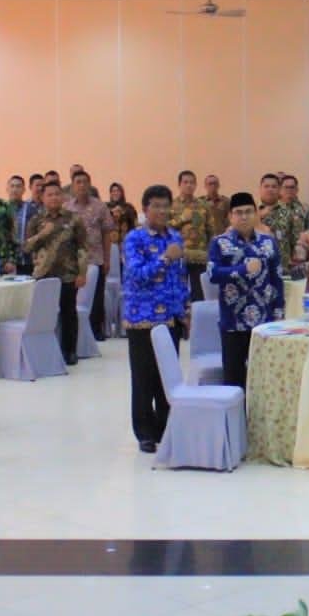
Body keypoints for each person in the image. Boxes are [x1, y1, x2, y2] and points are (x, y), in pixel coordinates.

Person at [122, 184, 190, 452]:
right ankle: (145, 432)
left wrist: (185, 309)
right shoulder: (134, 239)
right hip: (142, 317)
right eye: (156, 206)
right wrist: (164, 258)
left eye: (165, 206)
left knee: (167, 375)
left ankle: (166, 426)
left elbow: (179, 276)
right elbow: (138, 275)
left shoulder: (174, 237)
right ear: (145, 209)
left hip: (170, 317)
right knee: (143, 376)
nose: (162, 211)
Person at [208, 192, 283, 388]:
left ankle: (261, 418)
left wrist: (279, 313)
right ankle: (237, 419)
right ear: (230, 216)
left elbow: (277, 279)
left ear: (257, 214)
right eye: (238, 212)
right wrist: (241, 270)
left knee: (265, 378)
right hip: (233, 322)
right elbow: (213, 274)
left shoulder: (269, 242)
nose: (244, 217)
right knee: (234, 380)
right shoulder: (219, 243)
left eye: (249, 212)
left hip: (265, 323)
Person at [24, 181, 89, 365]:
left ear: (63, 197)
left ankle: (70, 351)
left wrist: (82, 272)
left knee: (69, 313)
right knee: (44, 315)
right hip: (43, 275)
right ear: (42, 198)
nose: (54, 198)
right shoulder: (36, 220)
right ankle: (44, 353)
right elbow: (27, 247)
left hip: (67, 275)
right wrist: (43, 234)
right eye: (50, 194)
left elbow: (83, 247)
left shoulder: (73, 219)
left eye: (57, 194)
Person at [66, 170, 113, 340]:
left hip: (96, 258)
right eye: (78, 182)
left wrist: (107, 259)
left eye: (85, 181)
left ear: (90, 184)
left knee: (97, 297)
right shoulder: (67, 207)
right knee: (75, 297)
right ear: (72, 186)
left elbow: (107, 233)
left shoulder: (100, 206)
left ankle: (96, 330)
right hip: (72, 261)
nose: (82, 185)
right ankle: (76, 331)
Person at [169, 170, 213, 302]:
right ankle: (179, 321)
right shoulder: (171, 205)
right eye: (185, 182)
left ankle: (196, 321)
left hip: (199, 256)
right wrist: (181, 219)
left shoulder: (204, 205)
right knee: (178, 292)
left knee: (198, 293)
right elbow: (164, 228)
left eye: (192, 182)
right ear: (179, 184)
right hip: (178, 256)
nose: (189, 185)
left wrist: (210, 252)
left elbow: (210, 230)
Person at [272, 175, 309, 259]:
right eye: (286, 187)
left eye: (292, 187)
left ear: (297, 190)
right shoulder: (272, 209)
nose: (289, 190)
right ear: (280, 189)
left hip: (300, 257)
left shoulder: (304, 209)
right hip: (279, 256)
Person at [107, 182, 137, 251]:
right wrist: (111, 212)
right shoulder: (106, 206)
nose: (115, 193)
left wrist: (123, 212)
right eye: (113, 191)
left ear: (122, 193)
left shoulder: (129, 207)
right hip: (110, 243)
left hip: (126, 241)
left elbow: (134, 223)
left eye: (118, 191)